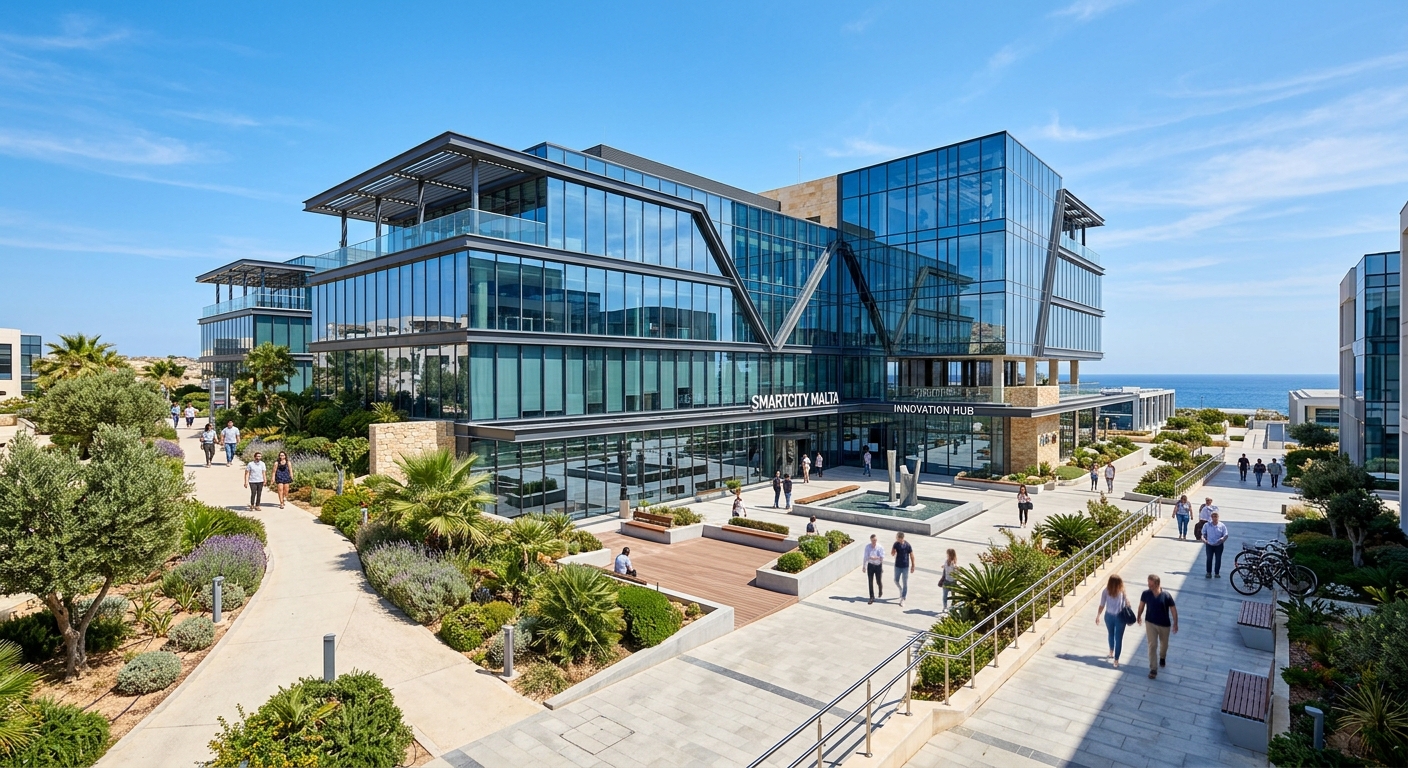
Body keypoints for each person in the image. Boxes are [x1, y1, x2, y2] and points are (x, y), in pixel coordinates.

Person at [1137, 574, 1178, 679]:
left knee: (1164, 645)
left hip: (1164, 624)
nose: (1149, 586)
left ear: (1157, 584)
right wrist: (1139, 616)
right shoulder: (1146, 594)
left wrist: (1175, 623)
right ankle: (1153, 669)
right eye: (1148, 584)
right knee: (1152, 645)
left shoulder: (1166, 595)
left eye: (1151, 584)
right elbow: (1141, 605)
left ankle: (1162, 657)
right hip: (1150, 622)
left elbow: (1173, 609)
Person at [1095, 574, 1130, 667]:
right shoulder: (1122, 591)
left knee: (1111, 633)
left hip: (1108, 616)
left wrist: (1098, 615)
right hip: (1120, 617)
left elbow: (1102, 605)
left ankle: (1111, 651)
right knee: (1119, 638)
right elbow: (1128, 603)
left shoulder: (1105, 591)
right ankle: (1116, 660)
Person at [890, 532, 915, 607]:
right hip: (897, 565)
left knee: (905, 582)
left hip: (905, 566)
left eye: (898, 538)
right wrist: (893, 551)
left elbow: (912, 555)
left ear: (902, 538)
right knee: (896, 580)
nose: (898, 539)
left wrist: (913, 565)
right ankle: (900, 590)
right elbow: (892, 553)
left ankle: (903, 598)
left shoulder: (907, 545)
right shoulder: (896, 544)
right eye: (897, 538)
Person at [1202, 511, 1229, 578]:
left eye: (1216, 516)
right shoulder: (1207, 525)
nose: (1214, 518)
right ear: (1211, 517)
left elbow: (1226, 534)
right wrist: (1203, 539)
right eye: (1213, 516)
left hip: (1218, 545)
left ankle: (1217, 573)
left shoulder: (1222, 526)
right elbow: (1203, 534)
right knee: (1209, 558)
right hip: (1209, 544)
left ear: (1218, 517)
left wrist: (1223, 539)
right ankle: (1208, 572)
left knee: (1218, 559)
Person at [863, 534, 885, 604]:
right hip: (871, 565)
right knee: (870, 581)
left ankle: (880, 589)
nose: (874, 542)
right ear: (871, 540)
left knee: (878, 581)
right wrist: (864, 566)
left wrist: (876, 558)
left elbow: (882, 557)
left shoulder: (880, 547)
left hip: (878, 565)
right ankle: (871, 597)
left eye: (875, 540)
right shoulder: (868, 547)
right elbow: (866, 557)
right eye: (873, 540)